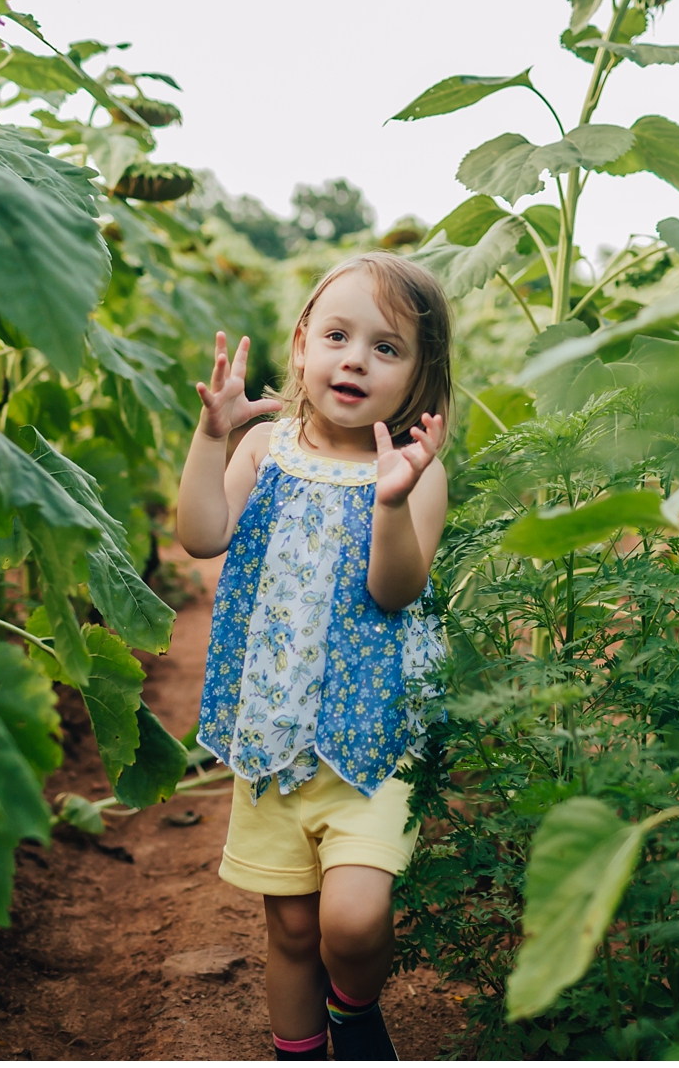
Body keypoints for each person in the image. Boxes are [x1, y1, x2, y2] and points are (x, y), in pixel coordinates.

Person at [177, 251, 452, 1060]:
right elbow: (201, 535)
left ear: (418, 377)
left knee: (354, 919)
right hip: (275, 732)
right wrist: (210, 435)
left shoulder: (411, 472)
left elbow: (394, 589)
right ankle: (299, 1047)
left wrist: (392, 502)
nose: (356, 358)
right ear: (301, 347)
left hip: (374, 738)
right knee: (293, 926)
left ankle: (354, 1008)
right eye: (337, 334)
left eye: (387, 347)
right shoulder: (265, 448)